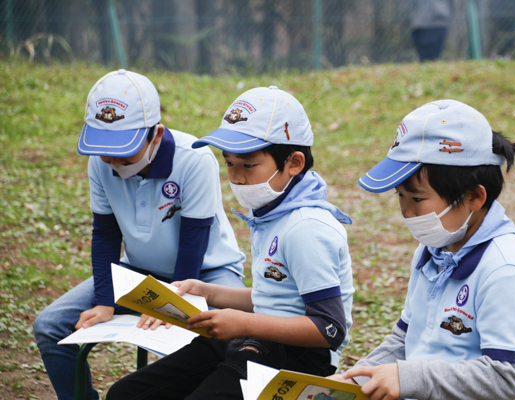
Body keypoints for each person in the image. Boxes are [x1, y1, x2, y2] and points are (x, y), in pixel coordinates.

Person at [107, 86, 355, 399]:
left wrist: (242, 324)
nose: (236, 178)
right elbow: (277, 298)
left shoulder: (306, 227)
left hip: (298, 356)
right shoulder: (272, 211)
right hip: (252, 337)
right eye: (229, 164)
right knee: (126, 394)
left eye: (248, 165)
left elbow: (329, 329)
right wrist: (208, 292)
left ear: (294, 163)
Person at [33, 69, 246, 400]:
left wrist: (169, 305)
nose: (111, 159)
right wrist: (104, 301)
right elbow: (105, 234)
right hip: (137, 273)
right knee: (50, 325)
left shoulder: (194, 159)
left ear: (156, 134)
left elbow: (194, 240)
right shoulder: (100, 164)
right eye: (103, 147)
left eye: (123, 148)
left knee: (232, 339)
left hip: (208, 273)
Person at [331, 99, 515, 399]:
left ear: (475, 197)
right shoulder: (432, 254)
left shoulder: (505, 272)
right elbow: (405, 338)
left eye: (418, 199)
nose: (407, 212)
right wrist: (354, 379)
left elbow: (505, 378)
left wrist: (410, 377)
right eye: (400, 196)